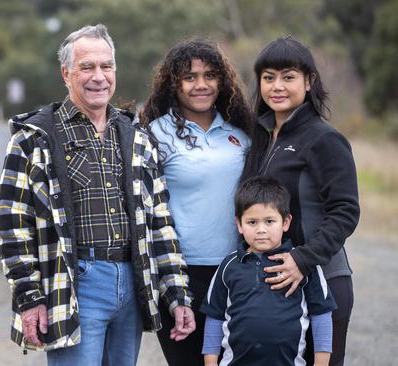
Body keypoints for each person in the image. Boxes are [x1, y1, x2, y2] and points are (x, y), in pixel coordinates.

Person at [0, 24, 195, 366]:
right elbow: (12, 226)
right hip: (76, 283)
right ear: (66, 73)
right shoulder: (34, 138)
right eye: (87, 67)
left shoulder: (137, 137)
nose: (98, 76)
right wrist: (29, 298)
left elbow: (159, 223)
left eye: (106, 66)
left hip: (131, 282)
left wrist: (177, 294)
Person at [241, 37, 360, 366]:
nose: (277, 86)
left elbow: (345, 212)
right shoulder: (261, 137)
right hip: (272, 280)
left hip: (322, 279)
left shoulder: (325, 139)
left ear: (309, 82)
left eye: (288, 77)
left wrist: (303, 260)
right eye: (268, 77)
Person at [140, 39, 254, 365]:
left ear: (222, 81)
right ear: (173, 84)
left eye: (209, 75)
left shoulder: (240, 133)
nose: (201, 85)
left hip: (236, 272)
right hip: (179, 276)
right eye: (190, 77)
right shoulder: (153, 134)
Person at [201, 176, 338, 366]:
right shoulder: (229, 266)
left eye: (269, 221)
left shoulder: (303, 265)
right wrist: (210, 363)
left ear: (285, 222)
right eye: (252, 222)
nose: (261, 230)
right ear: (239, 224)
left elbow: (321, 315)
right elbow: (214, 316)